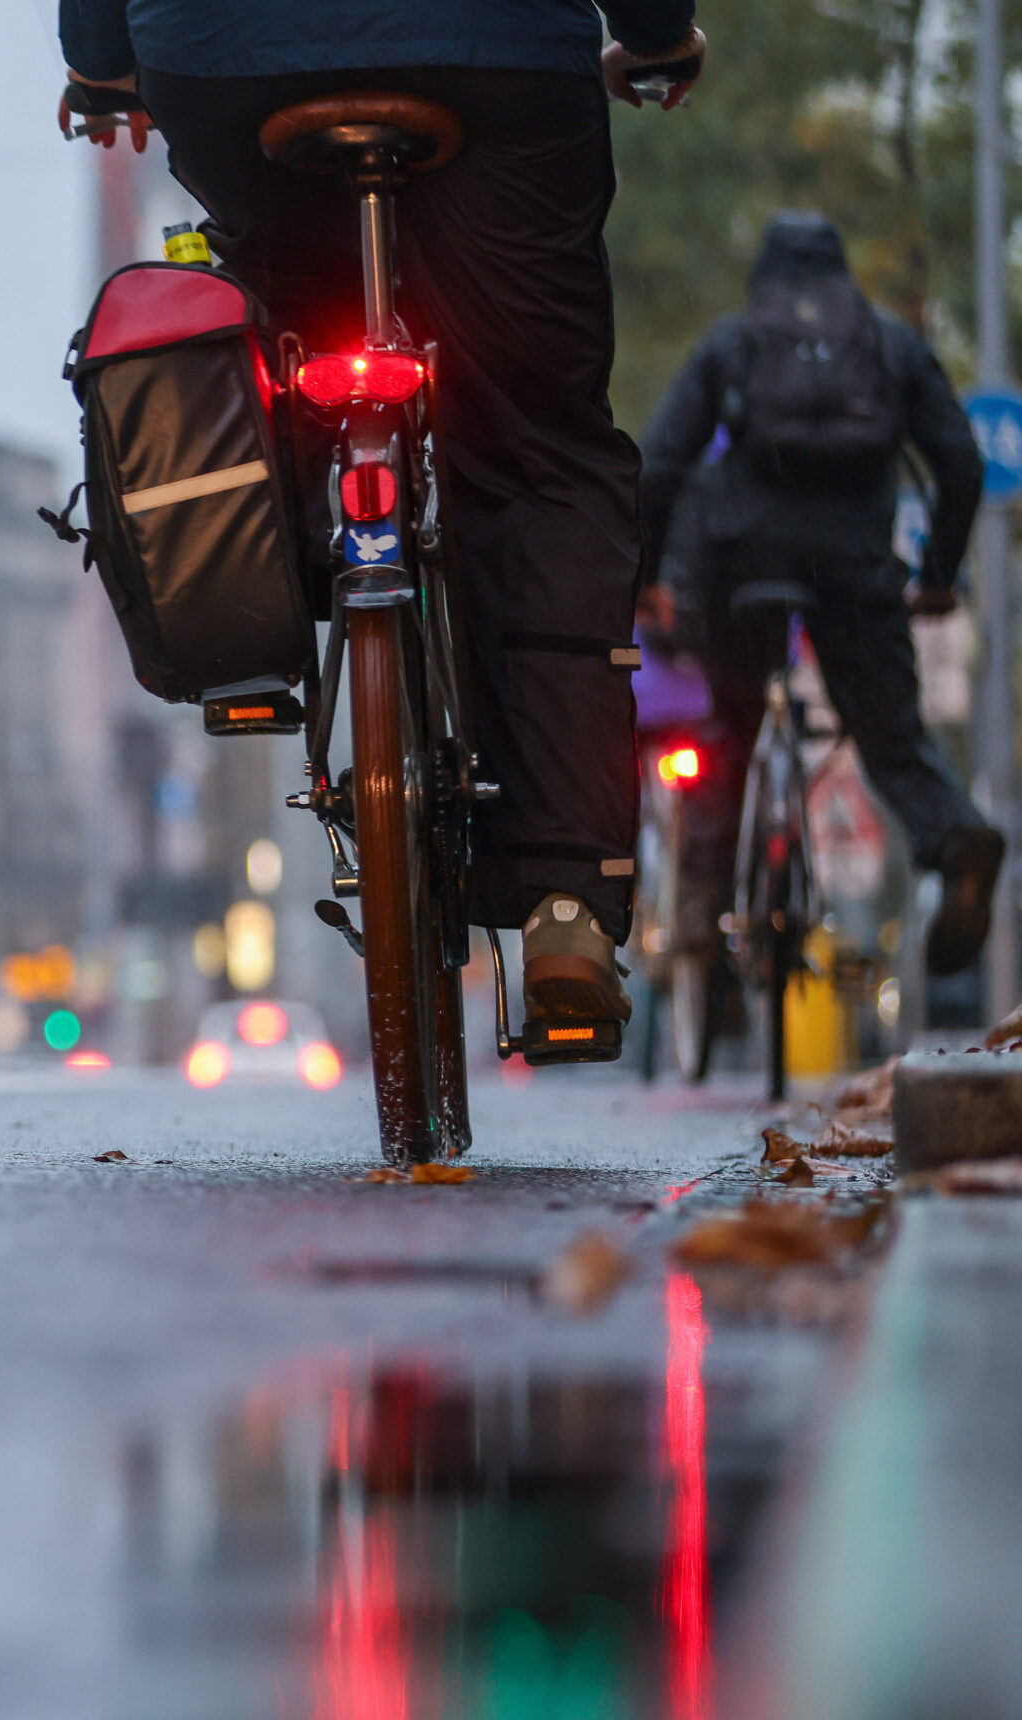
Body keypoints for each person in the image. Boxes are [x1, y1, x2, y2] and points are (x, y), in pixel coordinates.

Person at [57, 1, 705, 1045]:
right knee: (538, 446)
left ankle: (305, 549)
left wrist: (100, 65)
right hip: (499, 58)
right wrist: (659, 32)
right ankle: (566, 902)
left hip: (229, 61)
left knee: (287, 365)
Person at [640, 211, 1002, 979]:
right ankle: (958, 837)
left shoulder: (734, 342)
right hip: (855, 566)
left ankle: (703, 909)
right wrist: (936, 576)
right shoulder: (889, 346)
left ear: (765, 276)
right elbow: (961, 466)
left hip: (737, 565)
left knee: (728, 729)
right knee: (890, 738)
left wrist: (645, 582)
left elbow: (660, 467)